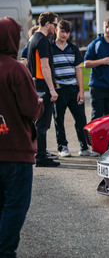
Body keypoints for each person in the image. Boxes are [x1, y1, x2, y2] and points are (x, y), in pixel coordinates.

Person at [0, 17, 44, 257]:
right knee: (14, 206)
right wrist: (39, 104)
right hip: (16, 151)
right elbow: (30, 109)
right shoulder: (16, 69)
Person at [51, 20, 95, 157]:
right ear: (56, 31)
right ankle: (62, 147)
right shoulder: (49, 48)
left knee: (81, 118)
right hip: (59, 89)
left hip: (73, 89)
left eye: (67, 32)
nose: (64, 34)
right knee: (59, 120)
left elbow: (78, 71)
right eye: (62, 31)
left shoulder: (74, 48)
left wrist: (81, 90)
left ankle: (84, 147)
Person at [26, 11, 60, 167]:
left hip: (36, 84)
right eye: (55, 24)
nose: (56, 27)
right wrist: (52, 89)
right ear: (48, 24)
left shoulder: (33, 38)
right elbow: (44, 66)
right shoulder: (43, 40)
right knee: (43, 123)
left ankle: (39, 153)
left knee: (39, 122)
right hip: (43, 85)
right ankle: (40, 157)